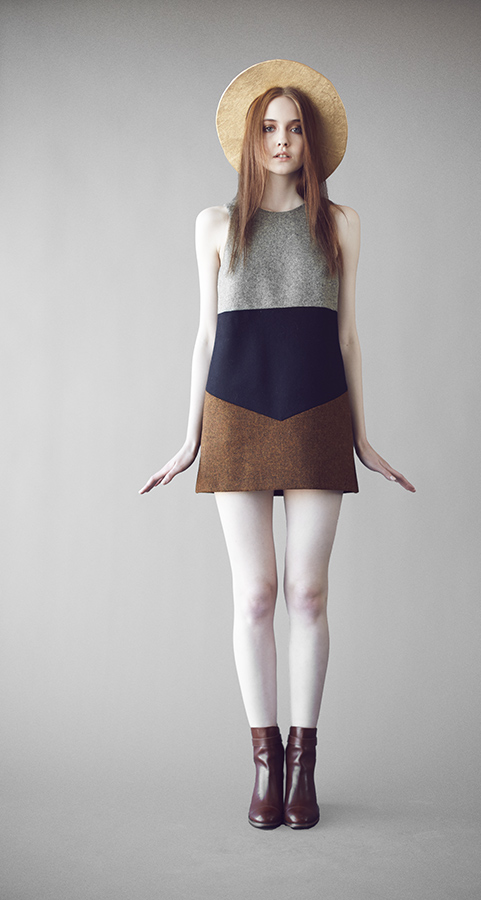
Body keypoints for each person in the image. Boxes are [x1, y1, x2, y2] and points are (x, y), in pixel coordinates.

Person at [140, 59, 415, 830]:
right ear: (250, 138)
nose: (282, 139)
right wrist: (189, 439)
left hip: (319, 411)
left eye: (294, 128)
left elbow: (349, 337)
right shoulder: (215, 224)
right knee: (256, 595)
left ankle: (304, 765)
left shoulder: (342, 224)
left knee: (308, 593)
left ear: (311, 140)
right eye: (269, 127)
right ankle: (265, 765)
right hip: (235, 413)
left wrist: (363, 437)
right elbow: (205, 337)